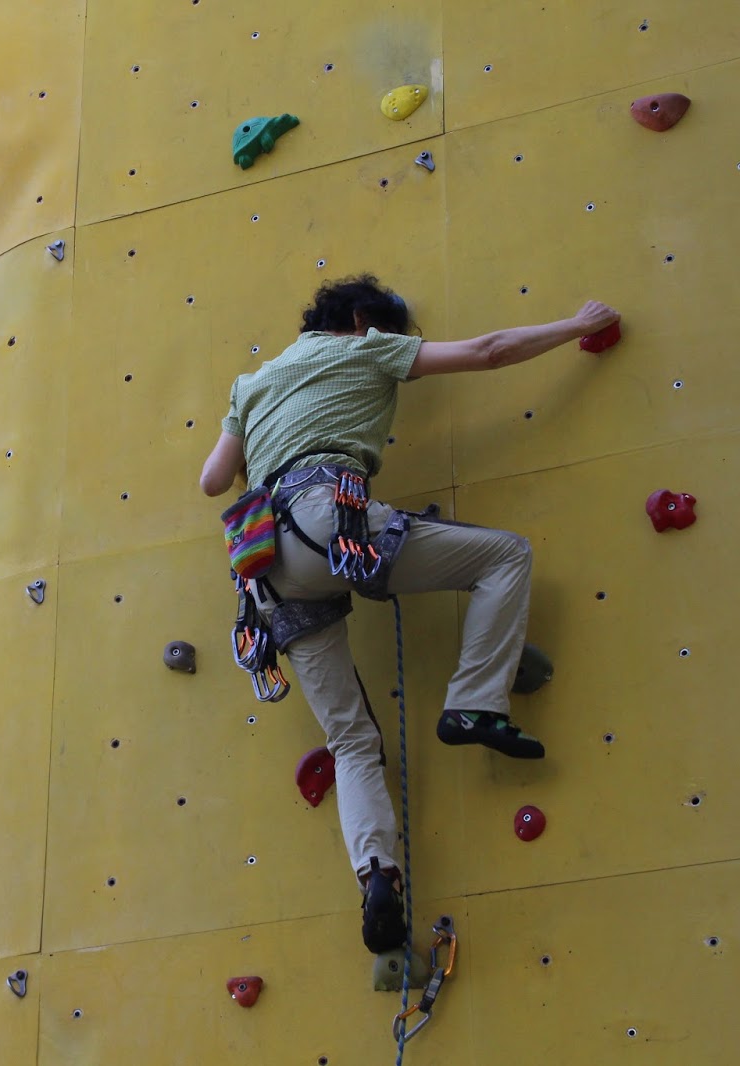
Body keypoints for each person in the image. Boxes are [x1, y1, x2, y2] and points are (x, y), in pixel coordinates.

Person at [199, 274, 620, 954]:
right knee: (504, 556)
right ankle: (474, 703)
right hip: (329, 522)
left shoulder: (249, 386)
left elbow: (214, 480)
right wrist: (578, 324)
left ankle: (377, 874)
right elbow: (488, 352)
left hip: (265, 568)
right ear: (363, 321)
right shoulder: (366, 347)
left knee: (350, 742)